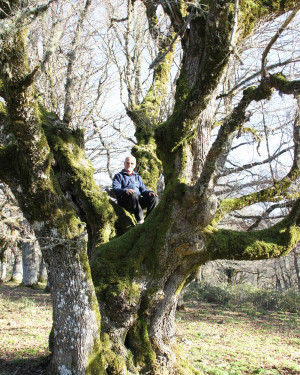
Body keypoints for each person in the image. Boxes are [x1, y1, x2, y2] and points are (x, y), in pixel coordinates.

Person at [112, 155, 159, 224]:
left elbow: (143, 190)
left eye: (132, 163)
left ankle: (148, 221)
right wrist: (125, 191)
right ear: (124, 164)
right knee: (132, 194)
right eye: (127, 163)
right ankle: (140, 220)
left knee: (154, 198)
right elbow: (116, 188)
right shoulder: (118, 176)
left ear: (135, 165)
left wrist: (150, 192)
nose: (129, 165)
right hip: (125, 201)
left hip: (137, 201)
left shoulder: (137, 177)